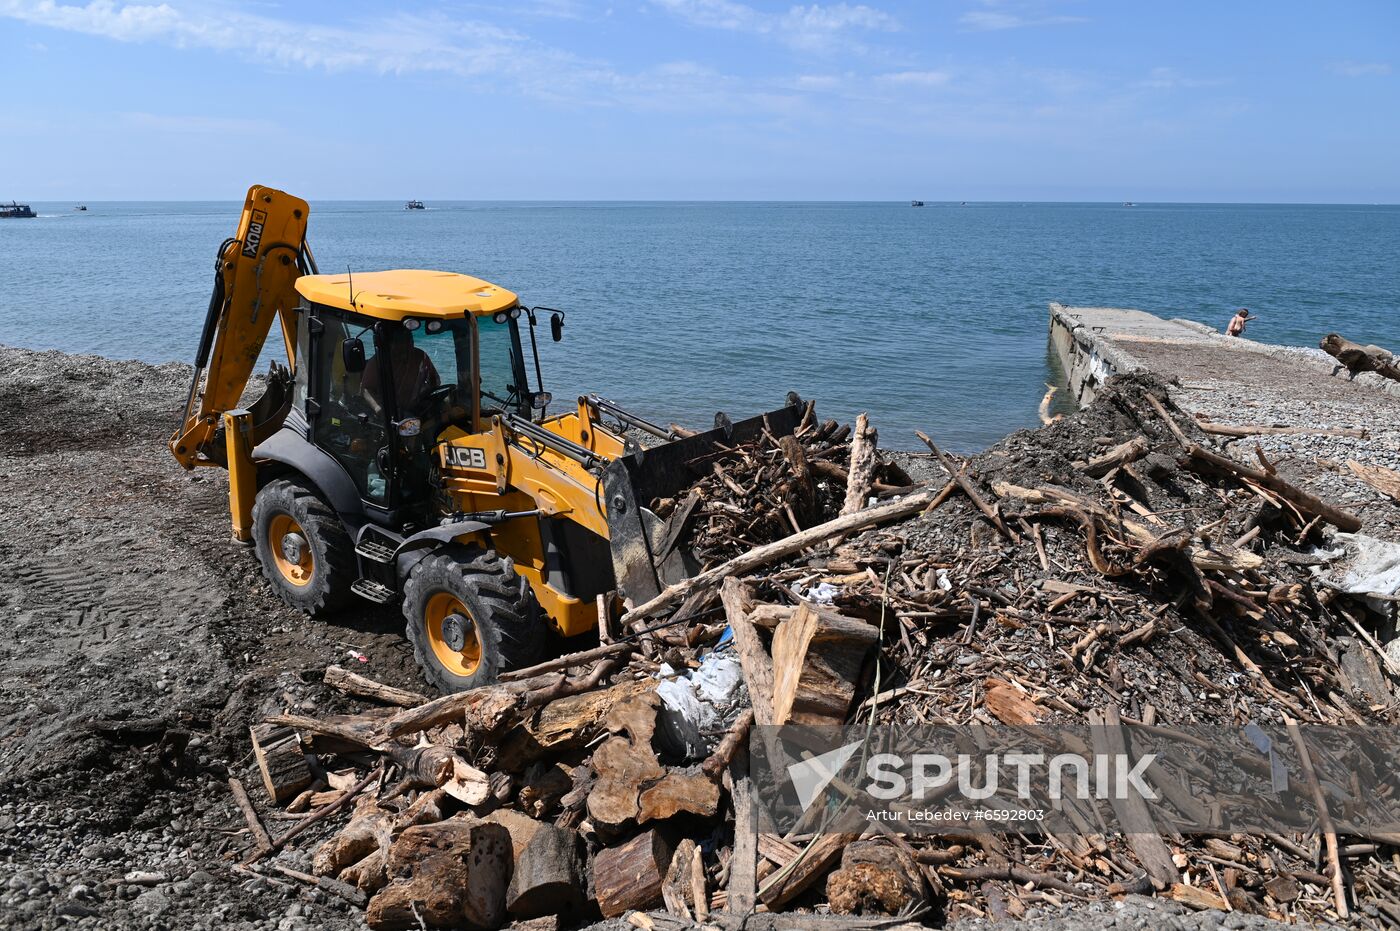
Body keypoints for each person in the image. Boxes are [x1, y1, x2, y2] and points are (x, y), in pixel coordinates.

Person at [363, 327, 440, 414]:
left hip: (415, 408)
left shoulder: (420, 356)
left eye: (409, 341)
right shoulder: (378, 361)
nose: (407, 346)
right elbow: (366, 390)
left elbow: (435, 380)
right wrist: (378, 408)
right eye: (401, 342)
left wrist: (427, 395)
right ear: (392, 343)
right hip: (389, 412)